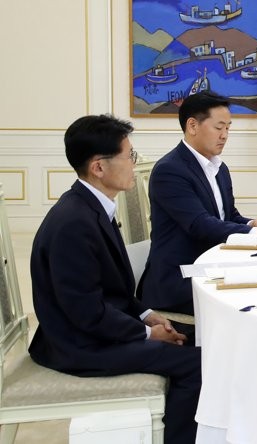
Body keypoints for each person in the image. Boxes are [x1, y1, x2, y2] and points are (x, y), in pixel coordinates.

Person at [29, 114, 201, 444]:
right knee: (199, 364)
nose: (134, 163)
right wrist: (147, 334)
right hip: (78, 344)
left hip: (95, 327)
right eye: (128, 155)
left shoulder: (91, 207)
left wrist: (147, 315)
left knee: (203, 335)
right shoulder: (74, 224)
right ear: (99, 167)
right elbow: (86, 312)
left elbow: (113, 290)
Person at [139, 91, 257, 315]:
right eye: (219, 127)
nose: (225, 135)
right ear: (192, 126)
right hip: (180, 277)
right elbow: (200, 224)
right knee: (254, 299)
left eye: (228, 128)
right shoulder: (170, 170)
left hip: (213, 265)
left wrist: (252, 224)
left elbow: (228, 215)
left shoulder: (219, 168)